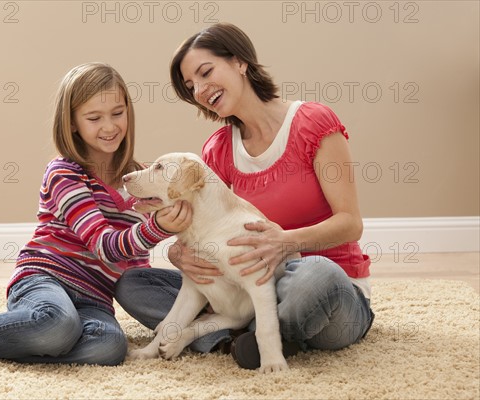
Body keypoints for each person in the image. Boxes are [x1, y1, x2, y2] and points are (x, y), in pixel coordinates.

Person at [115, 23, 374, 369]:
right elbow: (204, 223)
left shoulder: (313, 123)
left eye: (206, 72)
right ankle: (242, 334)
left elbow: (350, 223)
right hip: (251, 291)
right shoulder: (217, 151)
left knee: (312, 275)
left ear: (239, 62)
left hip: (326, 290)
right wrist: (180, 254)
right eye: (191, 86)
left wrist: (283, 242)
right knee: (134, 282)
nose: (201, 89)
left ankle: (237, 335)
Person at [0, 62, 191, 365]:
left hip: (95, 298)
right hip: (46, 278)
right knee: (57, 324)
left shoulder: (141, 180)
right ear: (73, 122)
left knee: (109, 347)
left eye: (118, 113)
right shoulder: (64, 172)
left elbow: (133, 262)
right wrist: (157, 228)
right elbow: (104, 244)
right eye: (94, 117)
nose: (109, 126)